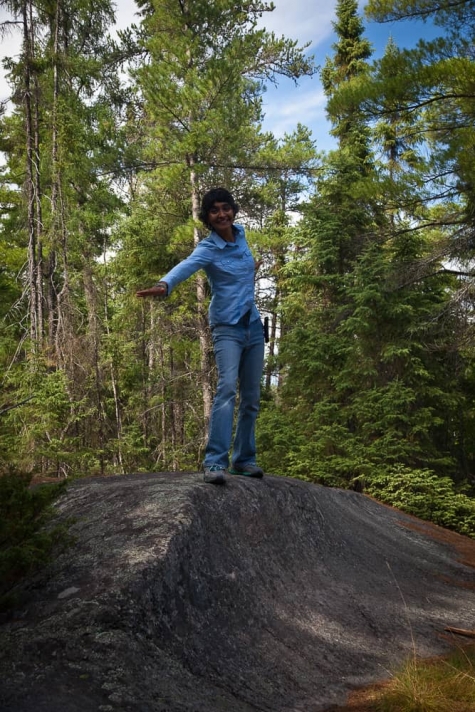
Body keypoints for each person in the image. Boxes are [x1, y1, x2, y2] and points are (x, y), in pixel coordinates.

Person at [136, 188, 265, 485]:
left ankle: (243, 460)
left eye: (226, 208)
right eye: (215, 210)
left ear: (234, 209)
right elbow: (186, 266)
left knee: (252, 398)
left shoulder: (242, 235)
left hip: (253, 326)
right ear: (207, 217)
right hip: (227, 327)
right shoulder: (208, 248)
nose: (222, 214)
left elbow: (241, 269)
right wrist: (164, 285)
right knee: (226, 391)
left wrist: (252, 269)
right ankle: (215, 462)